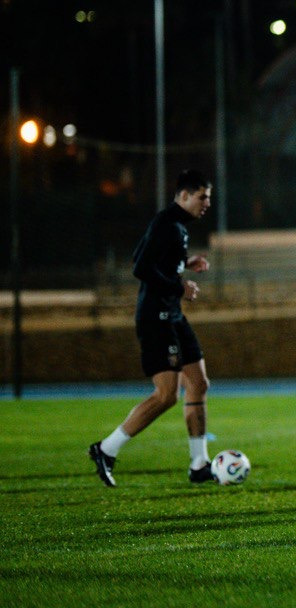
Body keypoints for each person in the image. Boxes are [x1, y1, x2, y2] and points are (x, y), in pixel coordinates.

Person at [88, 170, 215, 487]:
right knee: (166, 395)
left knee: (198, 383)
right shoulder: (166, 223)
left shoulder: (177, 226)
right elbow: (140, 266)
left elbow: (149, 256)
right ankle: (106, 449)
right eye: (202, 197)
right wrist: (179, 286)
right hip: (155, 317)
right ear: (184, 195)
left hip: (173, 315)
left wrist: (186, 262)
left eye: (209, 198)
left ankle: (199, 464)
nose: (207, 204)